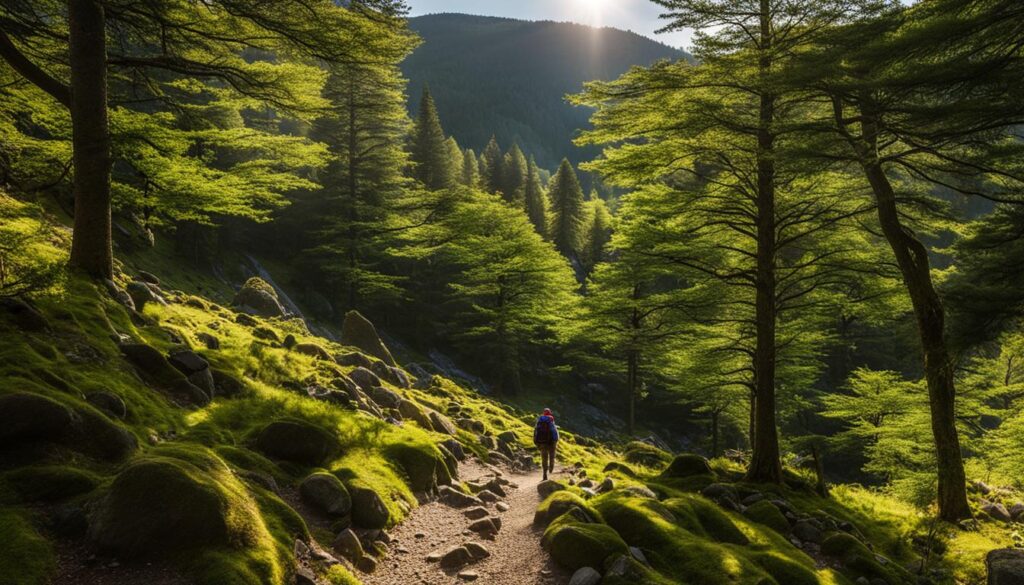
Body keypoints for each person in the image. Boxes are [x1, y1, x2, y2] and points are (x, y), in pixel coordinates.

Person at [534, 408, 559, 480]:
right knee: (552, 456)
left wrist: (536, 442)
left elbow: (535, 431)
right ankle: (551, 468)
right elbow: (554, 431)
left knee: (544, 458)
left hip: (542, 443)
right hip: (551, 442)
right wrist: (555, 440)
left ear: (543, 413)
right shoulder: (551, 418)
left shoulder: (540, 419)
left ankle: (544, 473)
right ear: (550, 413)